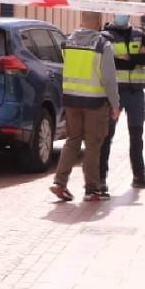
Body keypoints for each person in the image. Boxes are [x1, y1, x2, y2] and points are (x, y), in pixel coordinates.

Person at [49, 12, 121, 202]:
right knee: (93, 145)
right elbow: (108, 78)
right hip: (95, 102)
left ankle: (59, 183)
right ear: (98, 22)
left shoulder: (68, 41)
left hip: (71, 100)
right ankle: (92, 189)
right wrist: (115, 104)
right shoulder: (101, 45)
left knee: (72, 140)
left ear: (81, 20)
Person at [100, 13, 145, 190]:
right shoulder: (105, 36)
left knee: (137, 137)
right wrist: (134, 59)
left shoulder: (139, 35)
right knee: (106, 136)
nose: (122, 16)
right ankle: (101, 179)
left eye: (125, 12)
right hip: (114, 93)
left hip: (136, 92)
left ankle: (139, 176)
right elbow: (109, 62)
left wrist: (129, 60)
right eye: (119, 12)